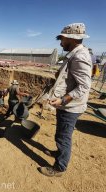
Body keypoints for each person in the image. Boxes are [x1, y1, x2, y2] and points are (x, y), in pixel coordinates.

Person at [38, 23, 92, 177]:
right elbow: (71, 77)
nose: (60, 42)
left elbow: (84, 86)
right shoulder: (74, 54)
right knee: (61, 134)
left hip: (70, 106)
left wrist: (62, 100)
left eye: (61, 39)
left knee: (63, 137)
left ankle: (59, 168)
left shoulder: (80, 56)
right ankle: (59, 153)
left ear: (70, 38)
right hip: (67, 105)